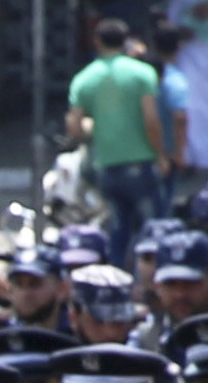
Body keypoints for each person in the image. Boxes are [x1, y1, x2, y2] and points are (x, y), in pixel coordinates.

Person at [69, 18, 171, 238]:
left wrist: (94, 127)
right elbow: (151, 119)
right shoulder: (143, 73)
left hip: (107, 165)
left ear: (97, 42)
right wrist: (160, 154)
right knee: (152, 231)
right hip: (141, 163)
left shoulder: (84, 79)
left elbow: (74, 128)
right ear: (126, 41)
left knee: (117, 230)